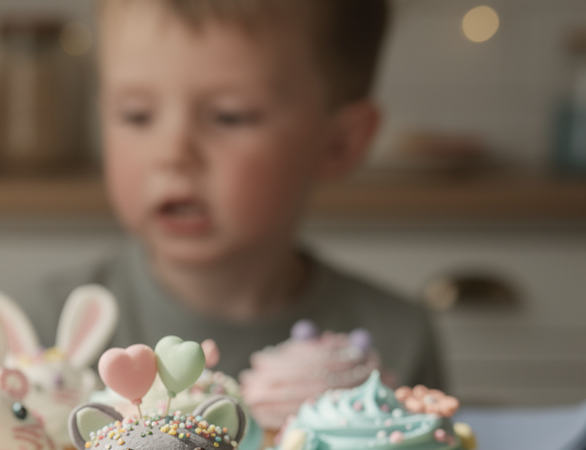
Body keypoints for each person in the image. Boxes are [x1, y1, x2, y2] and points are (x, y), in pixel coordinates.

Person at [68, 0, 444, 387]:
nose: (173, 152)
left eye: (229, 116)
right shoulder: (51, 336)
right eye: (136, 115)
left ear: (338, 144)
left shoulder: (397, 343)